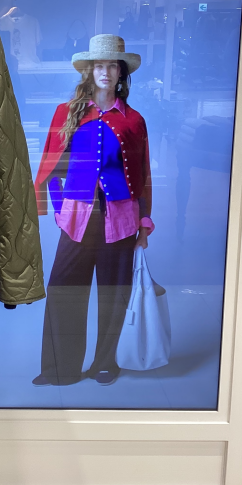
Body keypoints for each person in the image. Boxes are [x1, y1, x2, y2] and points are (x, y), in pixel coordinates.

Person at [32, 34, 154, 386]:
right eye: (99, 65)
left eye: (112, 66)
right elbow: (52, 166)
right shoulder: (66, 112)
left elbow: (143, 173)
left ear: (121, 73)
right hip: (77, 218)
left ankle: (105, 363)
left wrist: (144, 223)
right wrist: (59, 209)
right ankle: (60, 369)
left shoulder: (134, 121)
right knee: (63, 291)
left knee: (113, 293)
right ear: (90, 70)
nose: (105, 72)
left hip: (122, 219)